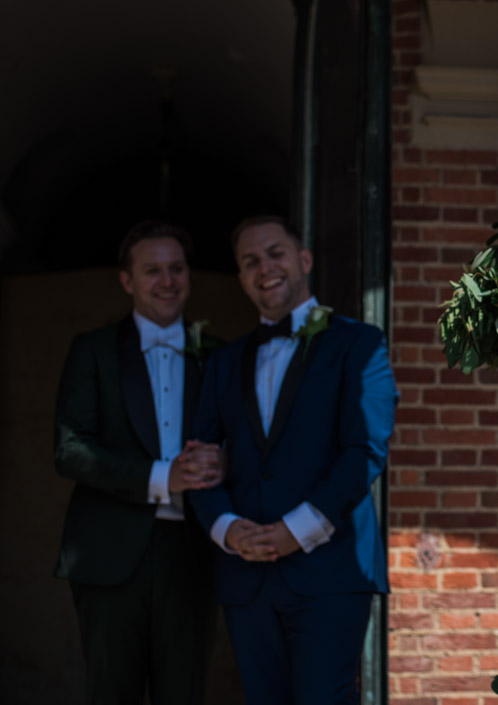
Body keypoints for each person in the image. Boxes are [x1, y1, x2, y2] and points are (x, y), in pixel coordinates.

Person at [188, 215, 395, 705]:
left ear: (303, 260)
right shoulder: (221, 363)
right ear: (240, 278)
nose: (266, 268)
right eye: (250, 261)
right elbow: (200, 459)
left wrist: (295, 530)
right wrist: (226, 528)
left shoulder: (359, 344)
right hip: (247, 578)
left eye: (276, 253)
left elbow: (365, 450)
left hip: (330, 569)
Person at [54, 220, 222, 705]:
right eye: (152, 271)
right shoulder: (93, 351)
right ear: (127, 281)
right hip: (108, 555)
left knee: (184, 693)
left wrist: (224, 460)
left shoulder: (219, 355)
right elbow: (69, 449)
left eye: (176, 268)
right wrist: (160, 476)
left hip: (193, 554)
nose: (167, 281)